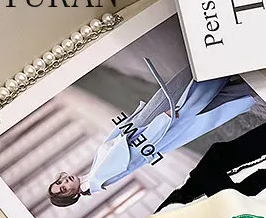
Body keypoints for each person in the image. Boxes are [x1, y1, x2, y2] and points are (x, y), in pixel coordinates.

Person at [48, 59, 254, 207]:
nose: (65, 182)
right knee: (192, 85)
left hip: (147, 123)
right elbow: (138, 151)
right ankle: (225, 60)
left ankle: (231, 67)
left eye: (60, 182)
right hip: (151, 125)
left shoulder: (93, 176)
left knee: (196, 90)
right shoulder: (98, 178)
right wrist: (163, 121)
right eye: (63, 189)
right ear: (73, 196)